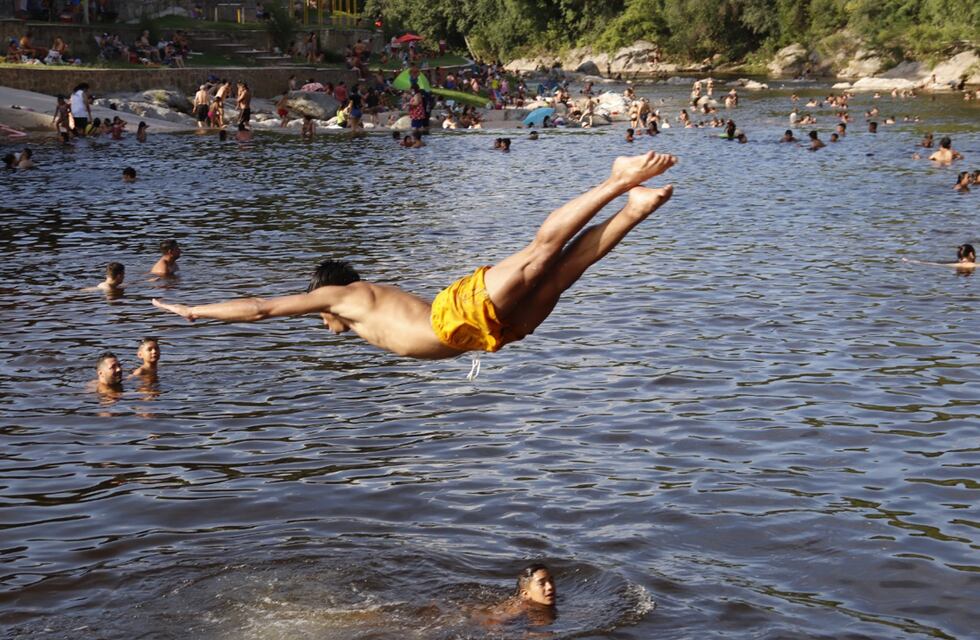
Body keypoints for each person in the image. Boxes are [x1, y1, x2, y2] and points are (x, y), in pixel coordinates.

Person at [152, 152, 677, 360]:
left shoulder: (343, 297)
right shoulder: (362, 305)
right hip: (483, 334)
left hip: (457, 317)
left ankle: (619, 178)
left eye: (318, 313)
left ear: (322, 295)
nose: (321, 321)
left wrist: (197, 311)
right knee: (562, 274)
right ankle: (634, 209)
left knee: (542, 255)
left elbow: (263, 308)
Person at [481, 564, 557, 627]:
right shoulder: (520, 607)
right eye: (541, 583)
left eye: (551, 580)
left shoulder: (552, 600)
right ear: (525, 593)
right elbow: (491, 622)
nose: (550, 587)